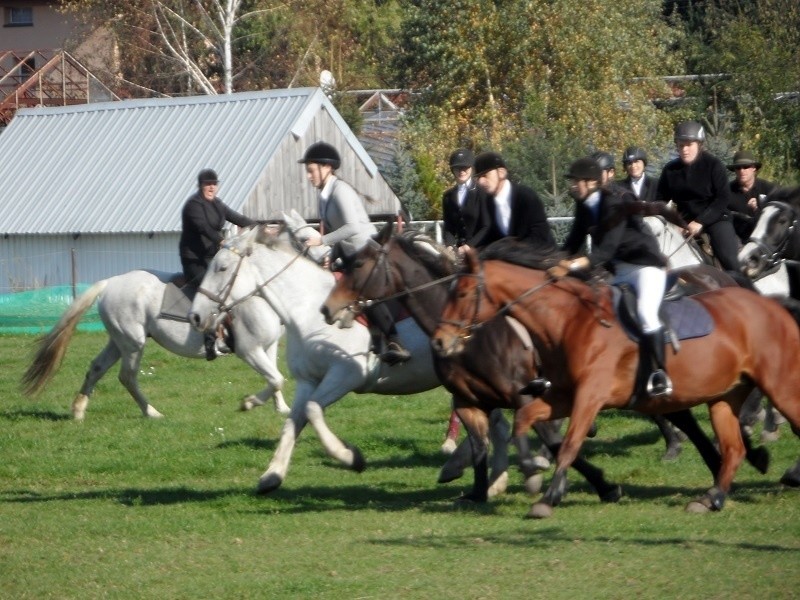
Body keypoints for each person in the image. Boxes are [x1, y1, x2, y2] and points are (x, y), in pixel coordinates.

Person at [551, 157, 672, 398]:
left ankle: (661, 375)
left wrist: (571, 265)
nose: (573, 186)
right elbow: (572, 242)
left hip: (645, 268)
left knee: (647, 315)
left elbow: (605, 251)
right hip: (619, 271)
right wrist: (553, 263)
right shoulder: (584, 205)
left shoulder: (614, 203)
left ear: (592, 183)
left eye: (577, 182)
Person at [299, 141, 410, 365]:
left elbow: (352, 228)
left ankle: (394, 342)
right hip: (353, 255)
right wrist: (334, 255)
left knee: (366, 294)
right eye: (308, 172)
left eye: (311, 171)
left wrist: (322, 240)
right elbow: (339, 231)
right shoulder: (325, 196)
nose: (309, 176)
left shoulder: (340, 191)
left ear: (326, 168)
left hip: (369, 252)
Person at [179, 168, 257, 360]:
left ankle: (234, 332)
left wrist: (257, 226)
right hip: (194, 258)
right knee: (212, 292)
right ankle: (210, 340)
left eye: (214, 184)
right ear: (200, 186)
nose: (211, 187)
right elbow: (203, 228)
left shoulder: (217, 205)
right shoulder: (193, 206)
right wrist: (221, 241)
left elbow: (237, 218)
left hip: (212, 257)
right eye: (208, 184)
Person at [656, 121, 741, 274]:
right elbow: (660, 201)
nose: (684, 149)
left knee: (728, 259)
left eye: (689, 145)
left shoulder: (714, 165)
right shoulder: (670, 170)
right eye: (681, 145)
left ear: (699, 145)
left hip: (716, 219)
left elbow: (723, 198)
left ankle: (746, 291)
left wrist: (700, 221)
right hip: (684, 223)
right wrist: (674, 222)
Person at [474, 151, 555, 247]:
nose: (481, 182)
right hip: (510, 259)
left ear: (501, 173)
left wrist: (509, 250)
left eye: (484, 175)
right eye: (478, 178)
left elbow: (540, 237)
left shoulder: (526, 196)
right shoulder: (488, 202)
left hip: (543, 257)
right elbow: (491, 237)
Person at [441, 148, 491, 255]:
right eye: (457, 168)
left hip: (481, 249)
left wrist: (469, 246)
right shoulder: (448, 196)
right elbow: (448, 227)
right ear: (452, 170)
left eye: (465, 167)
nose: (461, 171)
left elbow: (487, 226)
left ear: (471, 168)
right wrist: (449, 246)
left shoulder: (482, 192)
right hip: (459, 251)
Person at [727, 149, 775, 243]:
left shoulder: (769, 189)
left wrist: (759, 209)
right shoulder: (727, 192)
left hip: (765, 243)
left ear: (754, 168)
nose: (742, 171)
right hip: (737, 242)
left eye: (746, 167)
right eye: (738, 168)